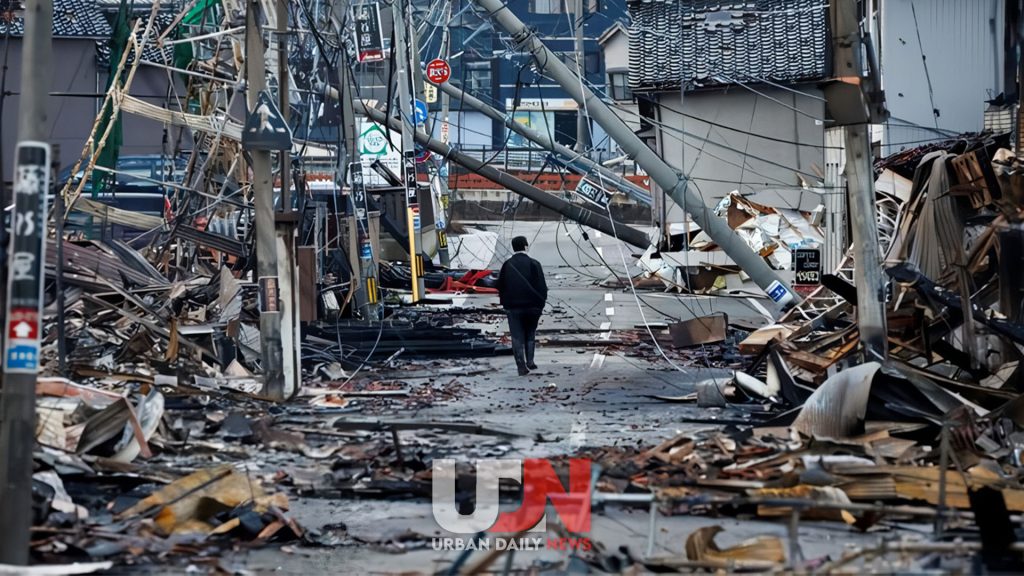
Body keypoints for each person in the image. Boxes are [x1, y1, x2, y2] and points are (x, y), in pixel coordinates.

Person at [496, 236, 548, 376]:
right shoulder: (534, 264)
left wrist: (505, 303)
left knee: (517, 336)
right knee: (530, 333)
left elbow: (500, 285)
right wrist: (541, 304)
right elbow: (542, 287)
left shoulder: (508, 264)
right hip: (533, 306)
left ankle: (521, 366)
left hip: (513, 307)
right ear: (526, 246)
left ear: (513, 248)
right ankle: (530, 361)